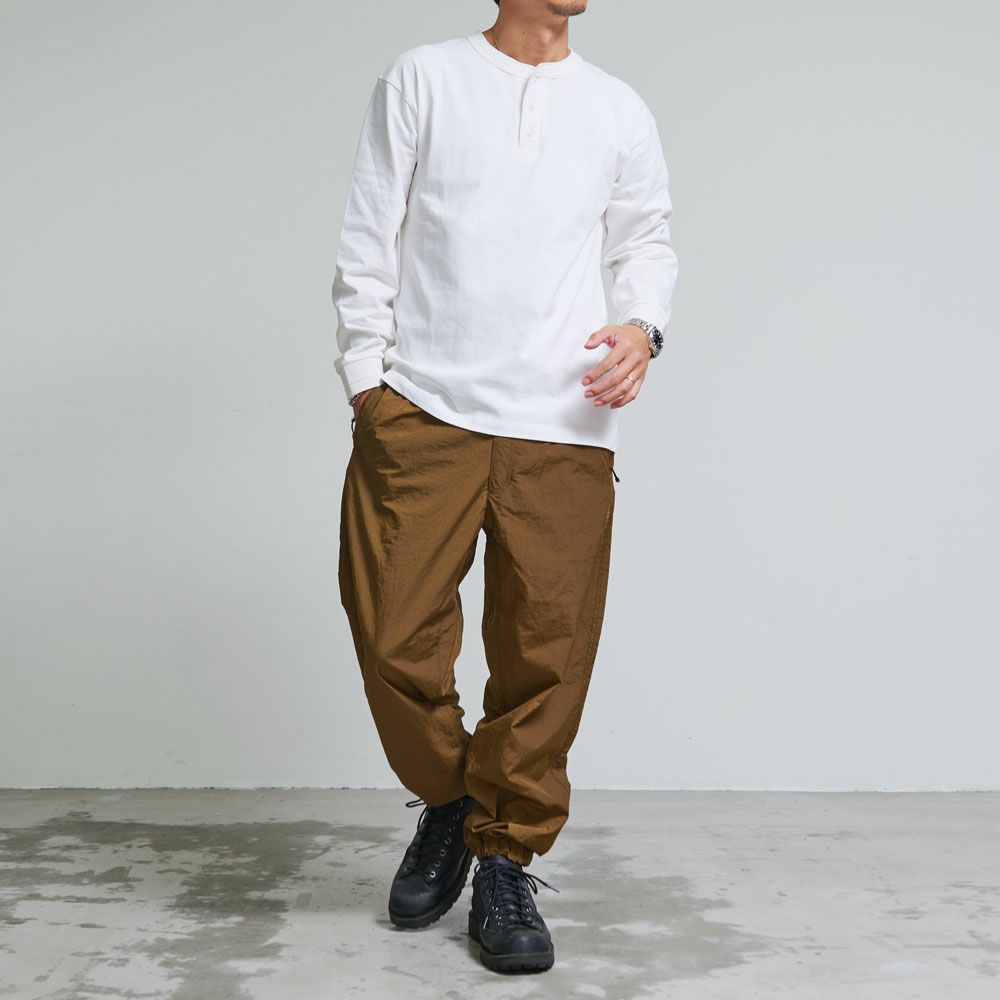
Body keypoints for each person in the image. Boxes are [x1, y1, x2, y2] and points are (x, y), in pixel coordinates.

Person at [332, 0, 677, 975]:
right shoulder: (424, 78)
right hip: (423, 407)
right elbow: (369, 231)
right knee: (392, 632)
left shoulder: (617, 108)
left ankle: (504, 856)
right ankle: (454, 798)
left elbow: (645, 240)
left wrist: (642, 327)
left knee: (546, 655)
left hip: (563, 423)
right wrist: (366, 381)